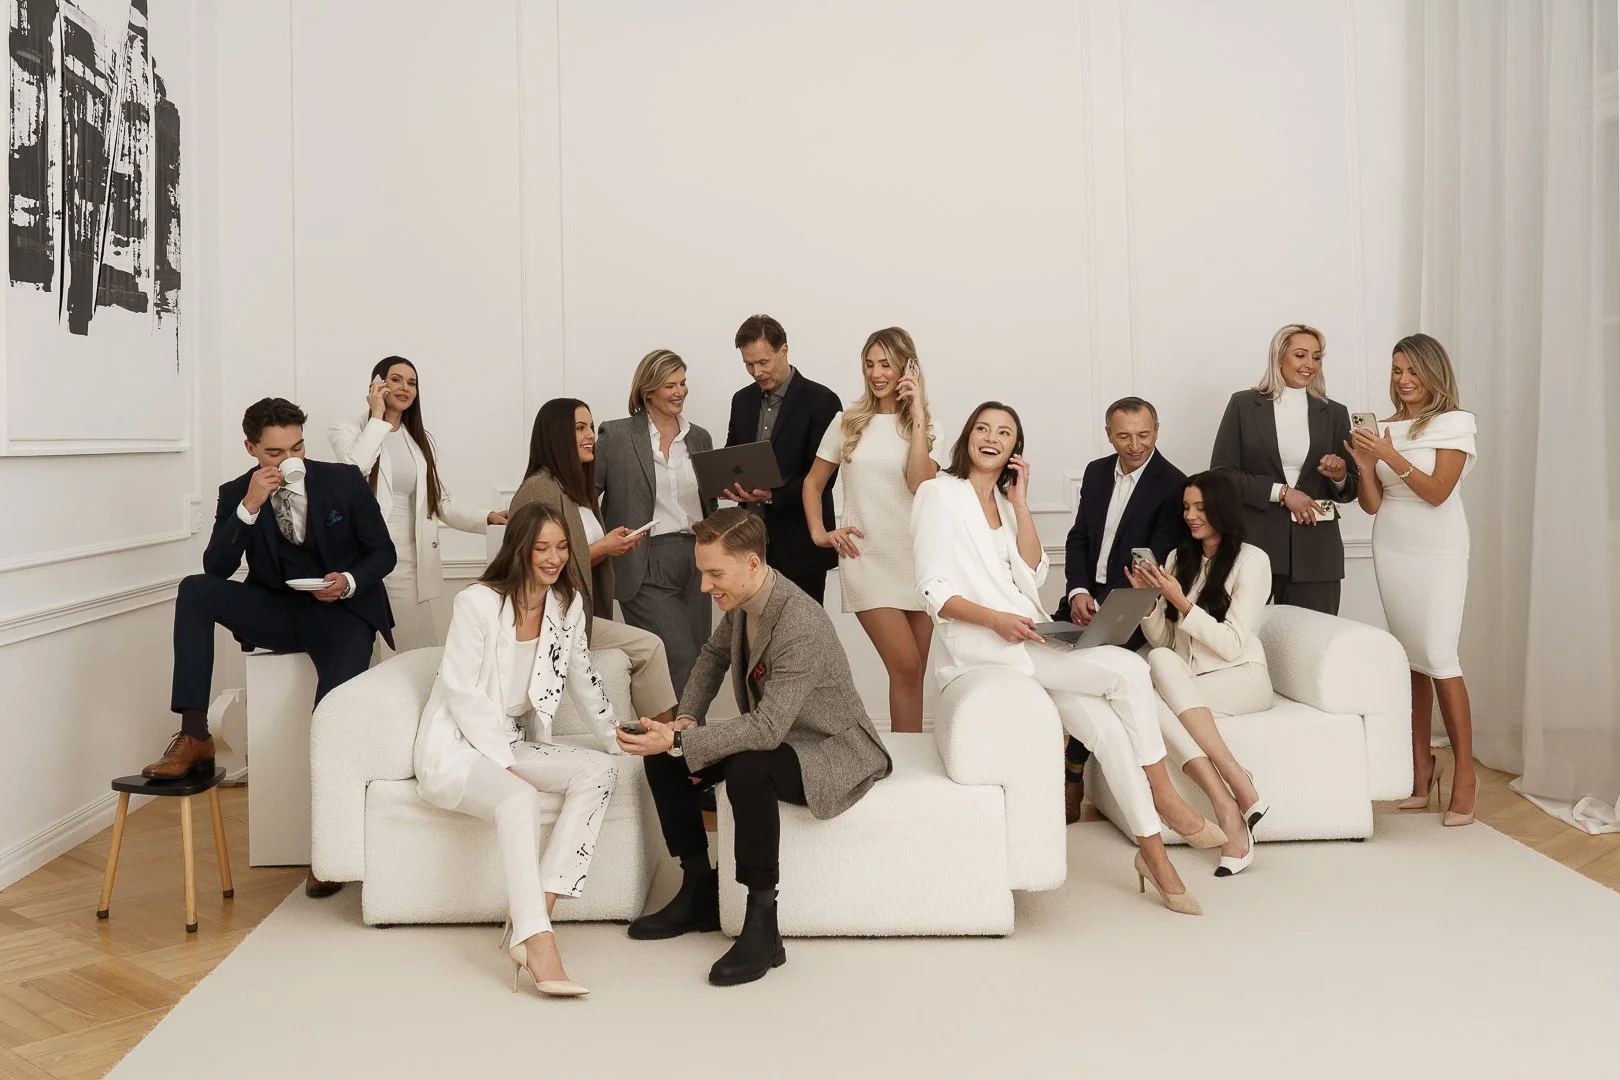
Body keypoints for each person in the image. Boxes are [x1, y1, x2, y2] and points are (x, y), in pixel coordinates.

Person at [910, 402, 1223, 915]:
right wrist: (996, 621)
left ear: (1016, 449)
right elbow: (933, 590)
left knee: (1110, 733)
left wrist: (1023, 503)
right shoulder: (938, 494)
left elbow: (1033, 574)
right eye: (984, 429)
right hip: (985, 643)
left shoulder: (1008, 506)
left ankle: (1155, 859)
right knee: (1130, 669)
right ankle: (1167, 798)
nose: (992, 438)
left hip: (1029, 635)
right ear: (967, 436)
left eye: (1005, 433)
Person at [616, 508, 891, 986]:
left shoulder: (800, 623)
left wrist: (682, 738)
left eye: (714, 573)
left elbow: (764, 731)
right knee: (663, 758)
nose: (704, 587)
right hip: (780, 733)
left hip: (831, 748)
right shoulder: (744, 602)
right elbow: (712, 656)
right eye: (702, 573)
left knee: (746, 768)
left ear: (752, 564)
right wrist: (686, 718)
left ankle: (764, 923)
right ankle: (698, 888)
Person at [150, 397, 395, 898]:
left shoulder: (343, 480)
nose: (288, 460)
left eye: (297, 446)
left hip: (341, 613)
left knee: (332, 715)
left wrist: (348, 580)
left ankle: (332, 851)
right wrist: (249, 506)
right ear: (251, 448)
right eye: (274, 452)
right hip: (278, 612)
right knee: (195, 589)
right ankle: (194, 733)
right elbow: (216, 567)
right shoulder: (235, 493)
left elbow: (382, 552)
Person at [414, 503, 619, 997]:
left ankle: (536, 908)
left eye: (562, 547)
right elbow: (461, 691)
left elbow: (581, 676)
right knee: (517, 798)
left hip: (508, 740)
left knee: (598, 770)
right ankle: (538, 942)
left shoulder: (565, 603)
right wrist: (506, 766)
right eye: (542, 547)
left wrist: (617, 736)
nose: (553, 558)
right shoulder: (477, 603)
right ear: (520, 549)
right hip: (458, 746)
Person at [1348, 333, 1479, 826]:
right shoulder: (1385, 427)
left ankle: (1465, 774)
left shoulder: (1454, 422)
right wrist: (1365, 465)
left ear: (1434, 373)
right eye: (1397, 371)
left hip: (1439, 547)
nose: (1404, 381)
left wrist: (1390, 454)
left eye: (1413, 371)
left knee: (1441, 655)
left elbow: (1438, 493)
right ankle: (1420, 766)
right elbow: (1375, 503)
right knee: (1413, 659)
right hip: (1392, 543)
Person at [1126, 471, 1273, 876]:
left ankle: (1235, 782)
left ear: (1222, 510)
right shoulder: (1178, 558)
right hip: (1188, 684)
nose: (1191, 516)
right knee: (1150, 677)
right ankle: (1229, 802)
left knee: (1154, 679)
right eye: (1186, 507)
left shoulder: (1252, 561)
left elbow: (1230, 644)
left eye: (1200, 508)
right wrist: (1150, 602)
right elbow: (1164, 643)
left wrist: (1181, 601)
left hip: (1240, 679)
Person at [1053, 396, 1188, 822]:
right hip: (1081, 596)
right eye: (1124, 436)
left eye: (1144, 435)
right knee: (1050, 671)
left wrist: (1105, 607)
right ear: (1109, 434)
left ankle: (1072, 772)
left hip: (1130, 601)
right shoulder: (1095, 473)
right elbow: (1078, 538)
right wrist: (1077, 591)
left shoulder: (1173, 484)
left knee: (1089, 676)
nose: (1135, 445)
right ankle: (1061, 772)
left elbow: (1152, 560)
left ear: (1158, 430)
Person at [510, 399, 680, 727]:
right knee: (650, 647)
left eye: (591, 426)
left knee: (651, 647)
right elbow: (530, 565)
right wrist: (602, 547)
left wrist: (606, 546)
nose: (591, 435)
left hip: (577, 615)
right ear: (557, 436)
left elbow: (577, 550)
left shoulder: (574, 490)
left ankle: (662, 743)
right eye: (579, 428)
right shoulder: (538, 491)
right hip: (550, 619)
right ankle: (665, 746)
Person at [802, 327, 938, 733]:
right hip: (867, 561)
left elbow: (920, 483)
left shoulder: (928, 428)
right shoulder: (848, 422)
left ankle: (908, 769)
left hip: (919, 562)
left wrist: (916, 418)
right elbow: (812, 483)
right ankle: (904, 765)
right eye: (869, 363)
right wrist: (820, 534)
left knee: (914, 675)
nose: (877, 373)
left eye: (886, 364)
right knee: (906, 663)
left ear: (907, 367)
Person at [328, 355, 507, 653]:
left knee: (418, 646)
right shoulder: (348, 429)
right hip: (368, 551)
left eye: (412, 383)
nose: (405, 388)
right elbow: (354, 470)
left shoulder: (419, 440)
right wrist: (377, 416)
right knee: (369, 649)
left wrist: (488, 517)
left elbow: (440, 503)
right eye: (396, 379)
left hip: (412, 556)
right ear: (377, 384)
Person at [594, 350, 718, 698]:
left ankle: (685, 742)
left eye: (682, 383)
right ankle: (681, 746)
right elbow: (584, 496)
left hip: (697, 558)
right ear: (648, 390)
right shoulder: (616, 436)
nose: (679, 392)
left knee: (699, 656)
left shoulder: (699, 438)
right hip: (643, 560)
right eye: (669, 385)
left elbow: (709, 503)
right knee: (677, 654)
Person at [1212, 323, 1359, 612]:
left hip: (1317, 550)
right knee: (1247, 642)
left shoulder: (1334, 413)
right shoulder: (1243, 405)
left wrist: (1340, 475)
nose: (1310, 365)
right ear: (1279, 358)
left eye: (1317, 357)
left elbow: (1350, 488)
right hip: (1255, 544)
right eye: (1301, 355)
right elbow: (1222, 474)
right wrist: (1282, 493)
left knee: (1313, 645)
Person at [723, 313, 843, 605]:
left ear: (784, 350)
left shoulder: (822, 401)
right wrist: (728, 482)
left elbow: (824, 479)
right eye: (748, 364)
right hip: (749, 544)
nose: (756, 371)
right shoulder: (742, 400)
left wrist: (773, 495)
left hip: (800, 544)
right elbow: (732, 454)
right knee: (751, 635)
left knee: (802, 638)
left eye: (763, 362)